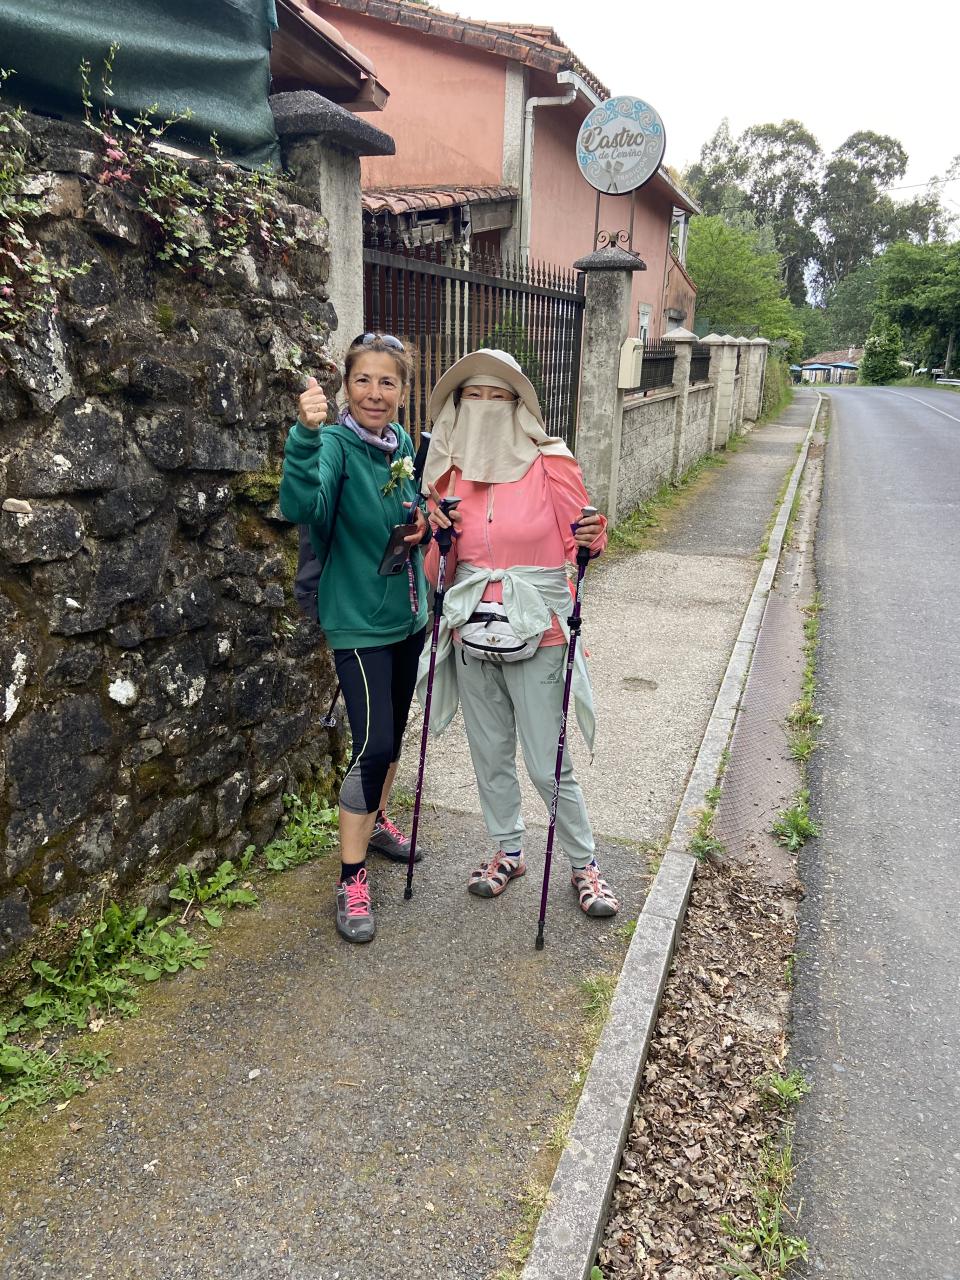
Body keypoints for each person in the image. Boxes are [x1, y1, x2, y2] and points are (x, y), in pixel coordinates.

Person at [419, 349, 619, 918]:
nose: (484, 406)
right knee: (489, 753)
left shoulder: (551, 465)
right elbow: (439, 575)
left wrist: (593, 535)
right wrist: (438, 538)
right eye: (472, 396)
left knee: (545, 760)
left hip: (540, 631)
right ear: (457, 407)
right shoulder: (447, 475)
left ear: (519, 406)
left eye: (498, 396)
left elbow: (582, 546)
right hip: (471, 634)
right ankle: (508, 850)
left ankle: (584, 864)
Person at [279, 334, 430, 944]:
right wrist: (304, 438)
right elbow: (301, 504)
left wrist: (421, 523)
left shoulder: (401, 447)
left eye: (387, 382)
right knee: (372, 744)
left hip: (407, 616)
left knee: (391, 737)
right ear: (345, 385)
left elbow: (408, 513)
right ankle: (351, 876)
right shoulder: (336, 445)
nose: (374, 393)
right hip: (358, 622)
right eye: (363, 380)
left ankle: (376, 821)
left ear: (403, 390)